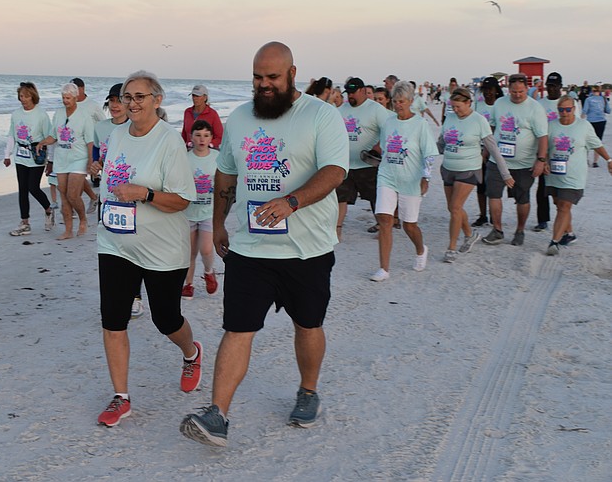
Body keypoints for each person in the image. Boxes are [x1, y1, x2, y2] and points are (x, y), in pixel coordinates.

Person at [180, 42, 348, 447]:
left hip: (306, 249)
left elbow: (335, 171)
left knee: (308, 325)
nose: (264, 84)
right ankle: (217, 414)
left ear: (293, 73)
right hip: (250, 248)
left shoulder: (321, 115)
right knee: (237, 328)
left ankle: (308, 391)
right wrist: (218, 224)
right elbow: (225, 173)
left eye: (273, 77)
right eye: (258, 77)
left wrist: (292, 201)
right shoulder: (240, 117)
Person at [93, 70, 202, 428]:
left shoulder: (169, 141)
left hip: (161, 249)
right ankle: (121, 397)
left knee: (165, 319)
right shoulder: (116, 135)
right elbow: (114, 179)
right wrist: (100, 174)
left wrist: (145, 193)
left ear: (157, 100)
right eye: (127, 96)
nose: (132, 103)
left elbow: (183, 200)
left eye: (140, 96)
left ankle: (191, 352)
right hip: (115, 242)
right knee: (112, 320)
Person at [369, 81, 439, 281]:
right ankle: (384, 269)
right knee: (385, 220)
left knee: (409, 225)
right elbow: (385, 149)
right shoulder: (389, 122)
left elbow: (429, 154)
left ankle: (420, 249)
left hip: (411, 179)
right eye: (395, 101)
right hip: (387, 176)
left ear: (410, 101)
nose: (398, 105)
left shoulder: (420, 125)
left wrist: (426, 177)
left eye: (402, 101)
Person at [438, 88, 512, 263]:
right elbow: (441, 142)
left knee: (455, 207)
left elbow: (493, 148)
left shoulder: (479, 121)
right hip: (448, 168)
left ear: (468, 103)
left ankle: (451, 248)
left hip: (469, 169)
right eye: (453, 107)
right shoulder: (450, 118)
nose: (455, 110)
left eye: (458, 106)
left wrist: (505, 173)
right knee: (453, 208)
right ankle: (470, 235)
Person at [91, 83, 143, 319]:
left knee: (131, 247)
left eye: (119, 100)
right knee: (109, 244)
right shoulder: (101, 127)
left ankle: (136, 296)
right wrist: (95, 166)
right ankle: (115, 297)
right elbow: (97, 154)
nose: (114, 105)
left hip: (130, 197)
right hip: (107, 196)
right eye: (111, 101)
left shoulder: (136, 127)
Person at [481, 73, 548, 247]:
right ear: (508, 89)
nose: (517, 95)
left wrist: (541, 160)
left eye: (521, 91)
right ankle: (497, 230)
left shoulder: (535, 108)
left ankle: (520, 230)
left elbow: (542, 136)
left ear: (527, 88)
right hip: (498, 161)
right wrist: (486, 151)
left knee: (522, 198)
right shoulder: (499, 103)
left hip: (524, 164)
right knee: (493, 194)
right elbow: (492, 127)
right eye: (514, 91)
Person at [544, 95, 612, 254]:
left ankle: (554, 242)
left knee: (564, 206)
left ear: (574, 109)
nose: (564, 113)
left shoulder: (584, 126)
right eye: (561, 110)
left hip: (574, 175)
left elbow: (597, 145)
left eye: (568, 109)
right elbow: (545, 148)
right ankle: (569, 233)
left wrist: (609, 160)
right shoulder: (550, 125)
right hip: (554, 174)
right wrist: (544, 161)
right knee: (559, 204)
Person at [335, 77, 393, 238]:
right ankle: (337, 230)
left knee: (375, 198)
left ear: (362, 91)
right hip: (345, 164)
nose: (350, 96)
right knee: (340, 198)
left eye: (353, 92)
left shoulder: (375, 109)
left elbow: (389, 130)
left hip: (369, 164)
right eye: (348, 93)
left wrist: (378, 147)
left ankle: (382, 226)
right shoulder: (341, 110)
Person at [3, 82, 56, 236]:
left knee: (33, 187)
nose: (23, 99)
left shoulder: (41, 115)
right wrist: (7, 155)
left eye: (26, 96)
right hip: (20, 156)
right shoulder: (16, 114)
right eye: (21, 96)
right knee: (22, 189)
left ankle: (48, 209)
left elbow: (50, 138)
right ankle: (25, 223)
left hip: (36, 156)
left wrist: (50, 161)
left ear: (33, 96)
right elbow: (11, 135)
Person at [51, 83, 95, 239]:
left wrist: (90, 161)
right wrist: (42, 143)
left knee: (72, 195)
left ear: (76, 97)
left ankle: (83, 219)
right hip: (61, 159)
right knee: (63, 195)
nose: (65, 101)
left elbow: (90, 141)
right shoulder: (58, 113)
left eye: (68, 98)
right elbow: (53, 136)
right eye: (63, 98)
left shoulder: (84, 116)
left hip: (79, 158)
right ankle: (68, 230)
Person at [181, 120, 219, 299]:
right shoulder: (185, 158)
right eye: (198, 135)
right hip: (188, 212)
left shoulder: (217, 157)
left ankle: (209, 272)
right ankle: (188, 284)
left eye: (206, 135)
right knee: (189, 252)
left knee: (206, 249)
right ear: (191, 137)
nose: (202, 139)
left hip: (208, 212)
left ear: (211, 137)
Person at [533, 72, 572, 232]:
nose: (551, 89)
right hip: (544, 150)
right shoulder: (539, 104)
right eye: (549, 86)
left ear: (560, 87)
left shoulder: (567, 103)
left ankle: (564, 222)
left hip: (562, 150)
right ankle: (542, 219)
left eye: (555, 86)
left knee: (561, 191)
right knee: (542, 187)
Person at [470, 76, 504, 227]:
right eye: (485, 90)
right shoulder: (478, 105)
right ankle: (483, 215)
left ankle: (494, 216)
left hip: (496, 150)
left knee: (494, 187)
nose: (488, 93)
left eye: (490, 90)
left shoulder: (501, 105)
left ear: (496, 90)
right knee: (481, 184)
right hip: (479, 149)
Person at [70, 77, 106, 213]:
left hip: (90, 146)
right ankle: (92, 197)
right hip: (74, 147)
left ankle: (74, 206)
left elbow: (103, 124)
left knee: (78, 176)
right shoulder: (70, 105)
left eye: (75, 89)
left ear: (82, 89)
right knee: (76, 175)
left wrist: (99, 148)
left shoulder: (92, 105)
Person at [181, 84, 224, 149]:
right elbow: (184, 134)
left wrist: (208, 145)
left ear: (205, 97)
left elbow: (220, 137)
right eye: (193, 95)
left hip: (207, 150)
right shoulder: (187, 112)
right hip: (189, 150)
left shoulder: (212, 114)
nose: (195, 98)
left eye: (198, 96)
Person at [582, 85, 611, 167]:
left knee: (587, 140)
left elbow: (585, 110)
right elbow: (608, 111)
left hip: (590, 121)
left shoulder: (588, 99)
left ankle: (586, 159)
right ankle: (595, 162)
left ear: (592, 91)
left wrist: (581, 118)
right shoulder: (603, 99)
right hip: (601, 121)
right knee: (598, 141)